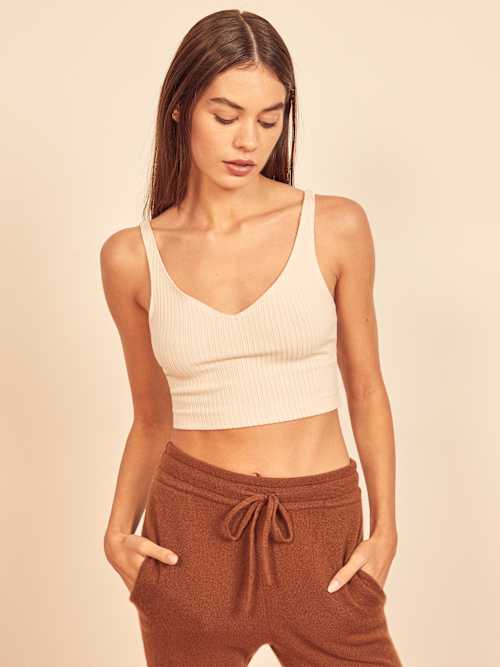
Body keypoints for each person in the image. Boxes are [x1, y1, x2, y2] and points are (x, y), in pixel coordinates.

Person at [100, 8, 403, 667]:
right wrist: (117, 533)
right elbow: (151, 414)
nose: (248, 141)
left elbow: (366, 387)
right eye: (226, 115)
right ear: (180, 108)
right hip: (190, 536)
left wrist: (385, 529)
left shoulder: (336, 226)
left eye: (269, 120)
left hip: (321, 534)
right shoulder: (131, 257)